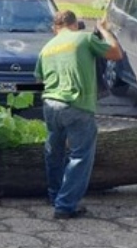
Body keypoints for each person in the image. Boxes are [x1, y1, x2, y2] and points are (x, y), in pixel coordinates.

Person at [35, 11, 123, 219]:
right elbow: (116, 53)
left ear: (55, 28)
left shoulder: (46, 49)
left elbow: (38, 81)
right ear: (75, 24)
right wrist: (103, 30)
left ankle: (55, 194)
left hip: (50, 105)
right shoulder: (84, 38)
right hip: (77, 105)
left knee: (54, 152)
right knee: (80, 156)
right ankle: (65, 205)